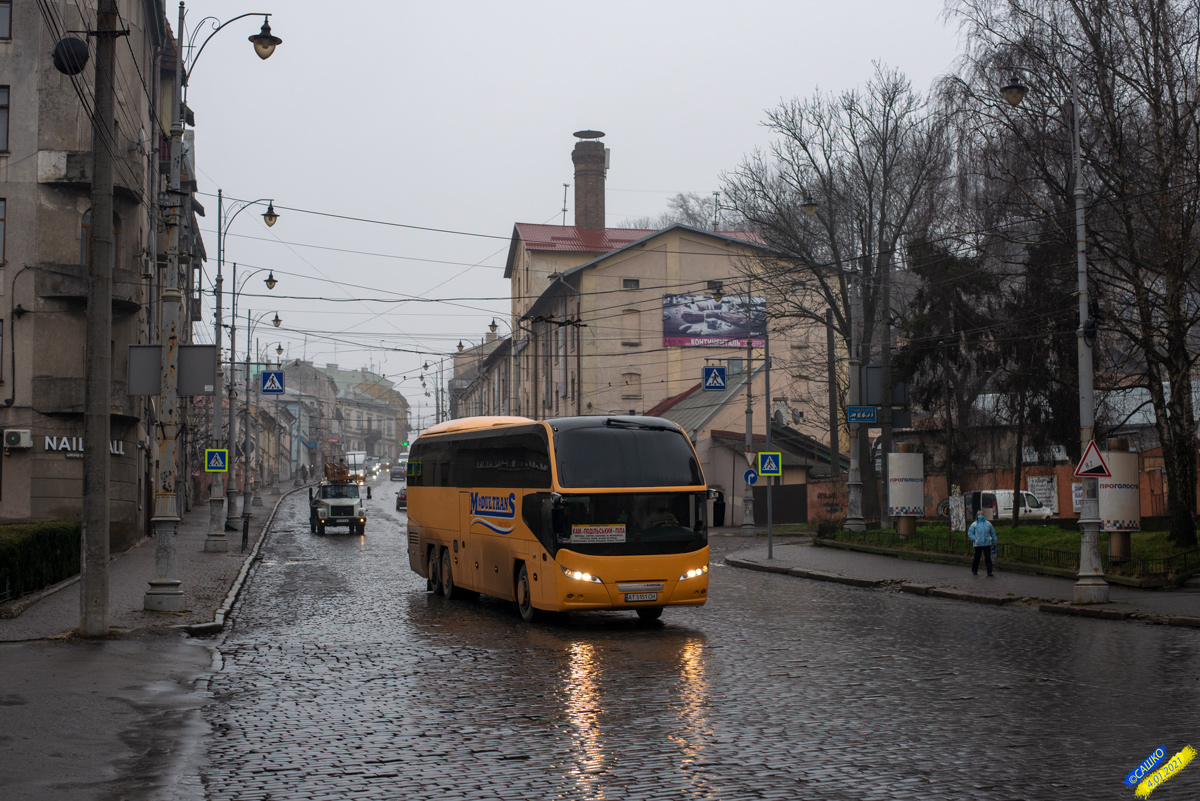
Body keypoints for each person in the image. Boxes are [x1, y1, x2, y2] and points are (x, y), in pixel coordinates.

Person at [968, 511, 997, 577]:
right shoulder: (974, 524)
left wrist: (994, 541)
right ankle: (974, 570)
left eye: (981, 514)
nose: (980, 515)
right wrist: (975, 539)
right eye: (979, 514)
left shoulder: (988, 524)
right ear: (977, 515)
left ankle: (989, 571)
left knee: (988, 558)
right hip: (978, 544)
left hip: (987, 543)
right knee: (977, 558)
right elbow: (970, 533)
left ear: (984, 515)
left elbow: (993, 533)